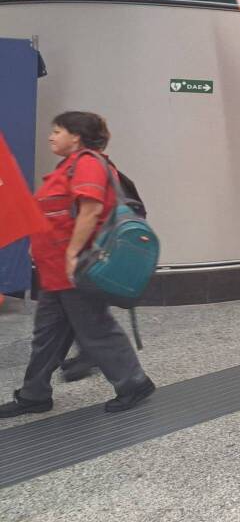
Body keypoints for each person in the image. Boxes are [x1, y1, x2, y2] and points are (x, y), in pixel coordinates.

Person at [0, 112, 155, 418]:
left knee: (96, 329)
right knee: (47, 336)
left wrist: (72, 253)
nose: (51, 137)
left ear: (77, 136)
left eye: (57, 131)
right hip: (57, 272)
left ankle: (134, 383)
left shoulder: (87, 164)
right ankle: (34, 394)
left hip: (77, 269)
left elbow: (90, 210)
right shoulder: (68, 166)